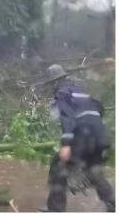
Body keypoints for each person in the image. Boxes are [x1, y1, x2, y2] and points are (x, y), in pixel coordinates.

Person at [45, 64, 114, 212]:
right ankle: (112, 204)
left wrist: (66, 144)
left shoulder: (62, 93)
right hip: (101, 136)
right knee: (93, 169)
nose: (51, 87)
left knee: (57, 167)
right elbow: (99, 108)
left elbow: (67, 119)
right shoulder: (81, 92)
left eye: (51, 83)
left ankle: (55, 209)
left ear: (55, 82)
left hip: (84, 136)